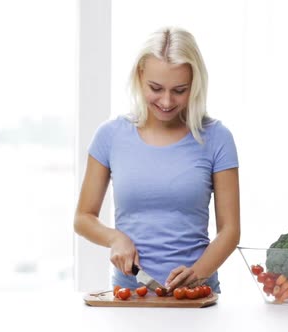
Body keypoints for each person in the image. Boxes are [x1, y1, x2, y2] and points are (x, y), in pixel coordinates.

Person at [74, 26, 240, 294]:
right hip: (130, 296)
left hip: (196, 297)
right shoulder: (110, 135)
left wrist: (197, 274)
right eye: (156, 88)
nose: (166, 101)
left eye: (179, 90)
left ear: (195, 84)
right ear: (140, 76)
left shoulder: (217, 138)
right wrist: (115, 238)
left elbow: (230, 230)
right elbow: (83, 218)